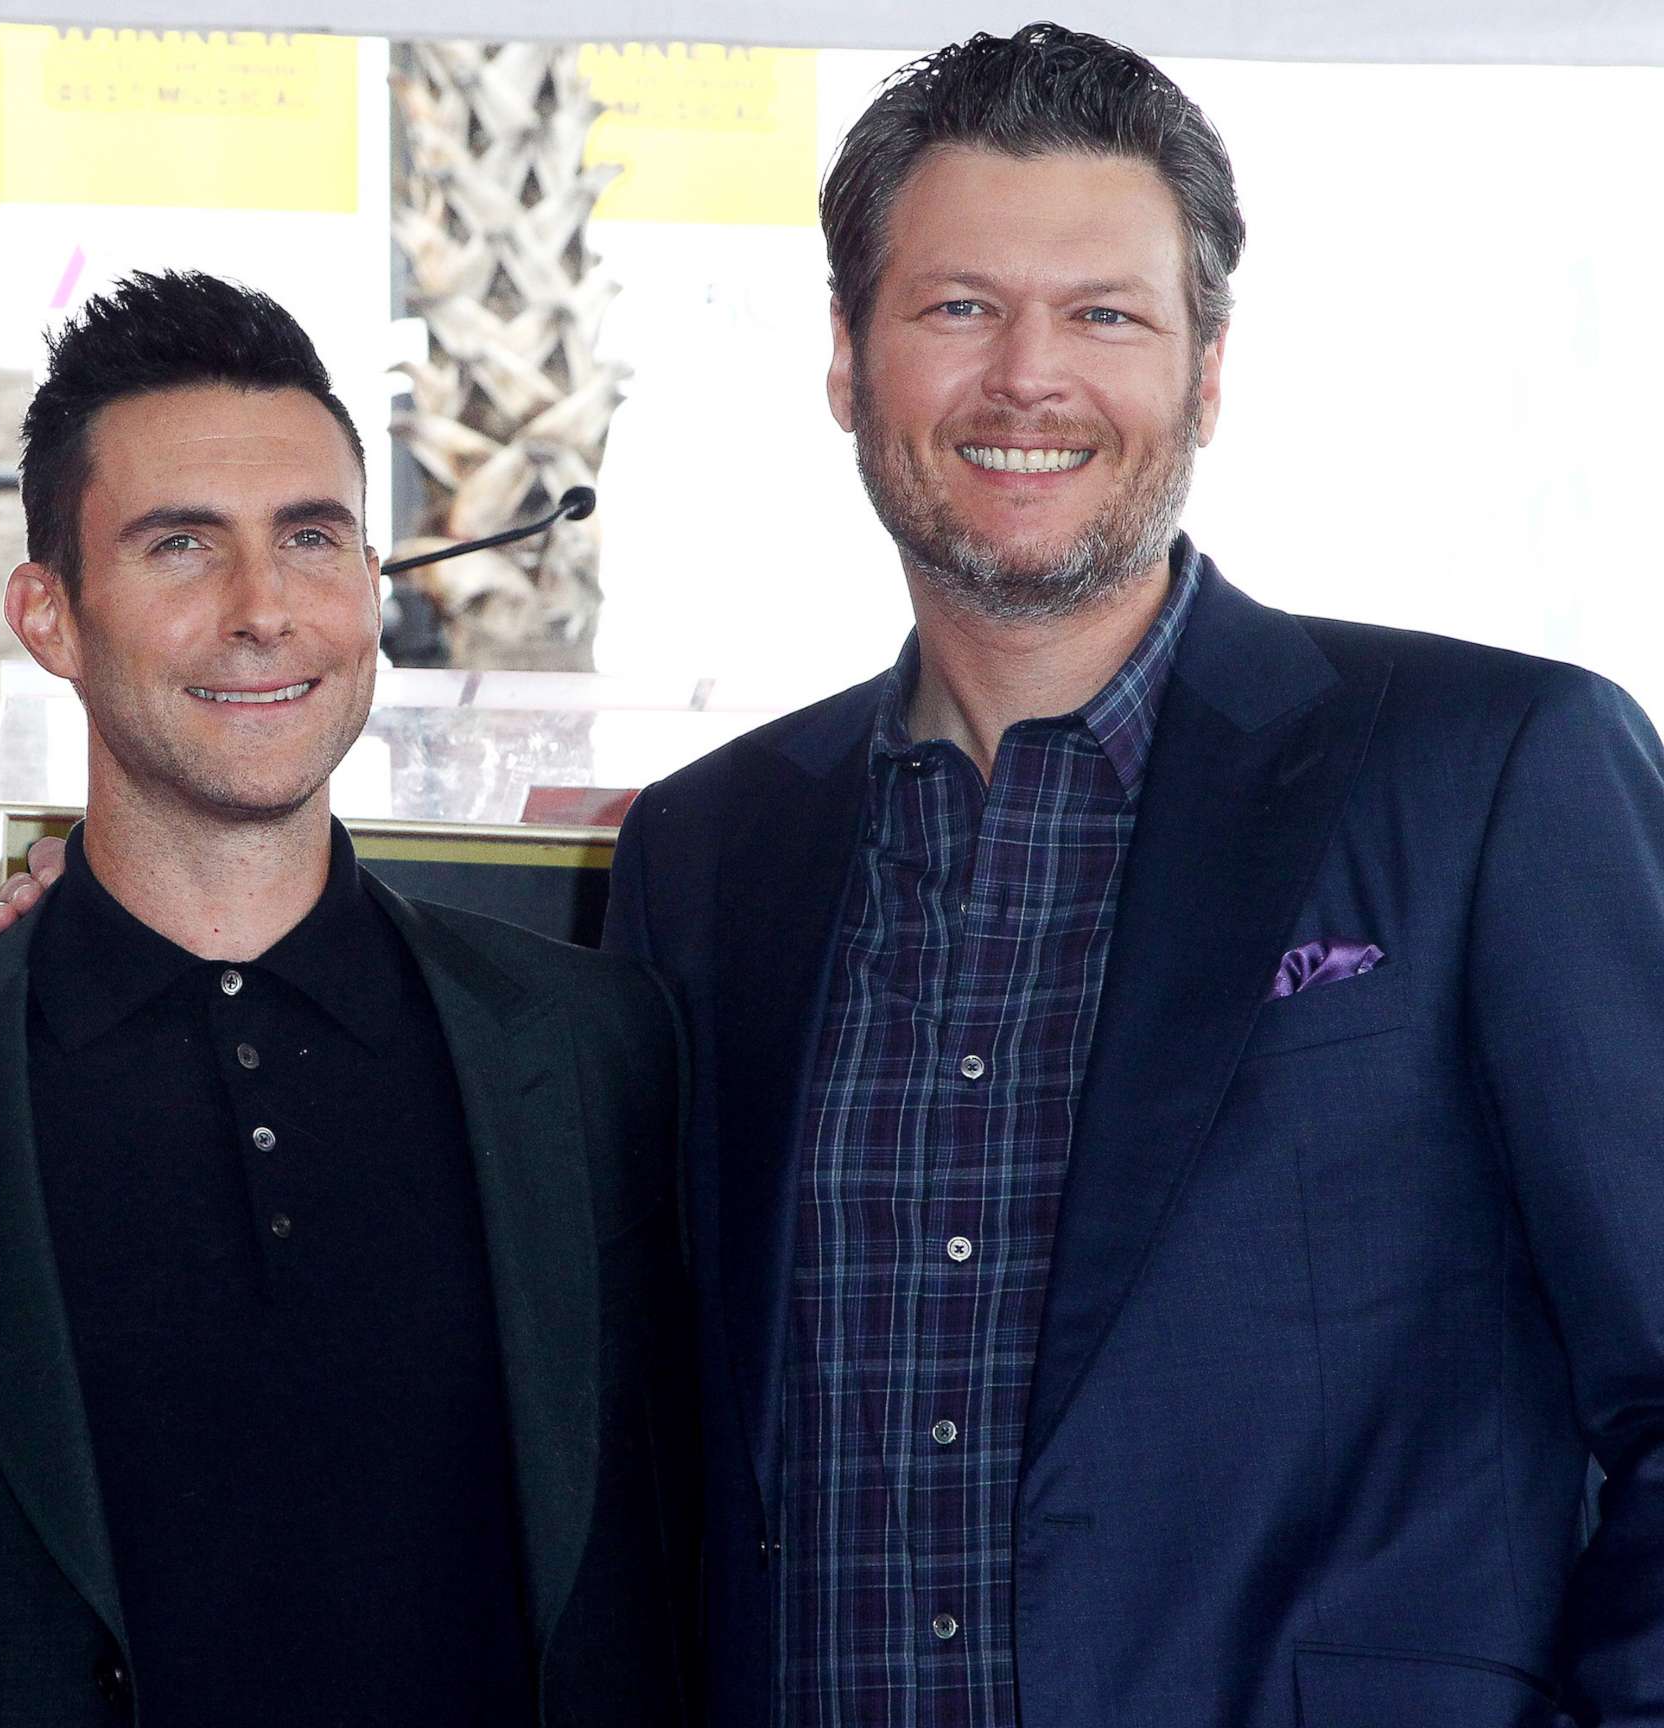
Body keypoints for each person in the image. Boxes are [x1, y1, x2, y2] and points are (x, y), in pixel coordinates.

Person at [604, 23, 1664, 1728]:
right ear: (845, 357)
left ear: (1210, 370)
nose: (1029, 379)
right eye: (958, 309)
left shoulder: (1494, 774)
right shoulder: (711, 852)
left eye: (1105, 314)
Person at [0, 271, 700, 1727]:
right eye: (182, 547)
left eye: (313, 539)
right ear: (47, 613)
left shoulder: (597, 1049)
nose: (263, 612)